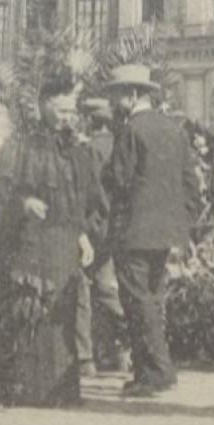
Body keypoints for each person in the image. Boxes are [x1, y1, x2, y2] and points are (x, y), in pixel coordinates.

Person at [0, 79, 106, 408]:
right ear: (44, 105)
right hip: (31, 242)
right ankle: (29, 390)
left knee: (64, 314)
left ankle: (62, 392)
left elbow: (85, 200)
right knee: (32, 310)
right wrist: (23, 203)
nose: (67, 117)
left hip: (64, 243)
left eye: (71, 110)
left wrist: (84, 234)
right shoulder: (22, 145)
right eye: (61, 110)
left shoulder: (77, 149)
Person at [102, 66, 201, 398]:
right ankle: (148, 371)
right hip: (166, 233)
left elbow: (118, 180)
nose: (114, 101)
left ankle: (157, 371)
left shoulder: (131, 130)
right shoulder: (174, 129)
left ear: (132, 96)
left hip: (134, 231)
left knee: (137, 301)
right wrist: (182, 225)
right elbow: (191, 183)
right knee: (153, 299)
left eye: (117, 95)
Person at [75, 96, 127, 375]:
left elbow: (89, 193)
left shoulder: (89, 150)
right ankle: (120, 351)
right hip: (114, 226)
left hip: (93, 226)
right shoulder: (120, 144)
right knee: (106, 286)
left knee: (85, 288)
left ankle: (86, 357)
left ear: (90, 120)